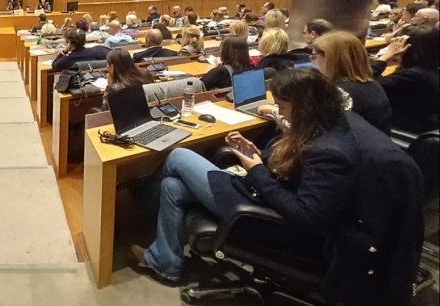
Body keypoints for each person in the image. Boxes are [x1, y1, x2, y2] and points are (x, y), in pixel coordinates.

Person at [129, 69, 423, 305]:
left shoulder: (332, 151)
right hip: (262, 196)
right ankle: (165, 262)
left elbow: (306, 217)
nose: (280, 112)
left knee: (178, 156)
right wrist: (259, 154)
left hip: (264, 217)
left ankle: (142, 204)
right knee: (172, 187)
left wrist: (256, 170)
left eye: (283, 107)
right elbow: (298, 170)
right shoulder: (331, 124)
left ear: (305, 106)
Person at [307, 31, 392, 133]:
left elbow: (314, 132)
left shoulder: (338, 93)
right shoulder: (373, 84)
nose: (312, 62)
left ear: (331, 59)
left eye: (314, 57)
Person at [373, 26, 439, 134]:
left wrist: (384, 58)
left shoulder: (412, 76)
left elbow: (363, 85)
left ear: (407, 48)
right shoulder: (429, 69)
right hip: (424, 127)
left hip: (403, 133)